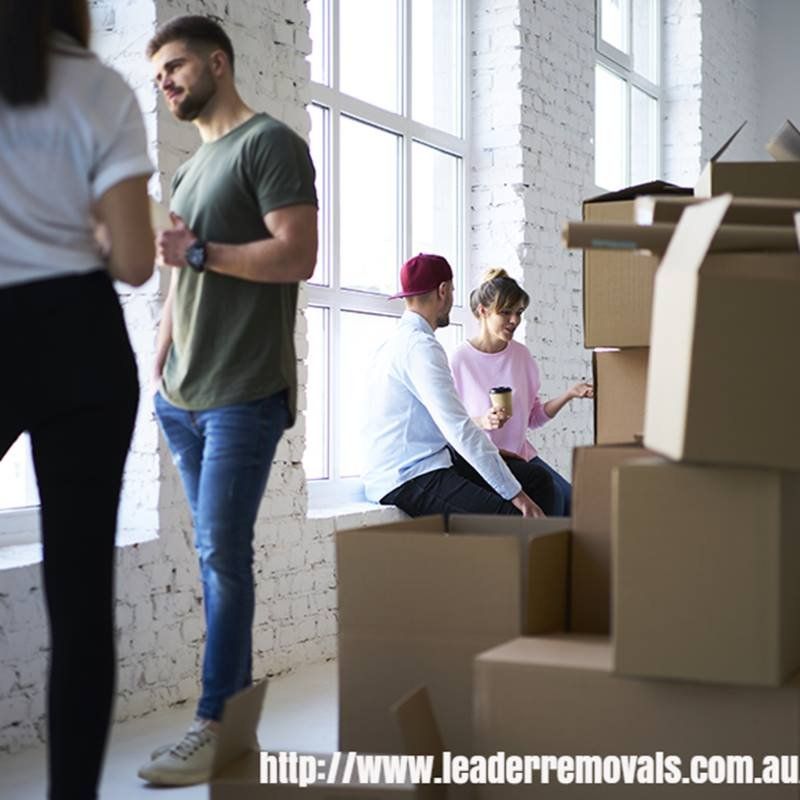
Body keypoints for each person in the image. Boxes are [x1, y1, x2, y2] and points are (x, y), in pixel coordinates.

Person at [139, 15, 317, 787]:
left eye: (175, 67)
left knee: (221, 554)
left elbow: (299, 254)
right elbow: (182, 277)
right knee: (218, 561)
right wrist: (158, 369)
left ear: (218, 62)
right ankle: (234, 727)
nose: (167, 82)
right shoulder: (190, 169)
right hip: (183, 398)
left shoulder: (269, 144)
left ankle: (214, 722)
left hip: (245, 393)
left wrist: (203, 252)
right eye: (157, 77)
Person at [0, 1, 155, 797]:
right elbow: (133, 261)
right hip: (81, 341)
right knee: (80, 601)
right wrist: (85, 231)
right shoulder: (99, 89)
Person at [362, 254, 557, 518]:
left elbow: (435, 425)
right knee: (514, 517)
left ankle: (543, 556)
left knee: (537, 479)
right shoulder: (421, 347)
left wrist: (496, 457)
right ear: (443, 291)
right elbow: (459, 428)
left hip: (432, 459)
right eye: (452, 291)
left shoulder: (398, 342)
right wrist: (518, 497)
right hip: (407, 475)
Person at [450, 268, 594, 516]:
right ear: (483, 311)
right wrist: (484, 420)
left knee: (577, 506)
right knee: (553, 502)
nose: (514, 320)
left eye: (518, 313)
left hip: (522, 456)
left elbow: (533, 418)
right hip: (485, 460)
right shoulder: (459, 361)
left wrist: (569, 394)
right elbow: (449, 424)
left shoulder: (522, 356)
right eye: (505, 312)